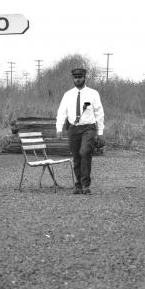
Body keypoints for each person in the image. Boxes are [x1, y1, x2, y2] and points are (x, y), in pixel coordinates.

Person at [56, 67, 104, 195]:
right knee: (76, 156)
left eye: (80, 77)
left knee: (85, 152)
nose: (77, 80)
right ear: (73, 79)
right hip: (73, 128)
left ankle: (86, 184)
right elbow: (62, 112)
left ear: (84, 78)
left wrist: (100, 133)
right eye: (75, 78)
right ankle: (78, 184)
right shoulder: (68, 95)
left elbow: (99, 113)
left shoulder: (93, 93)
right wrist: (59, 128)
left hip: (88, 128)